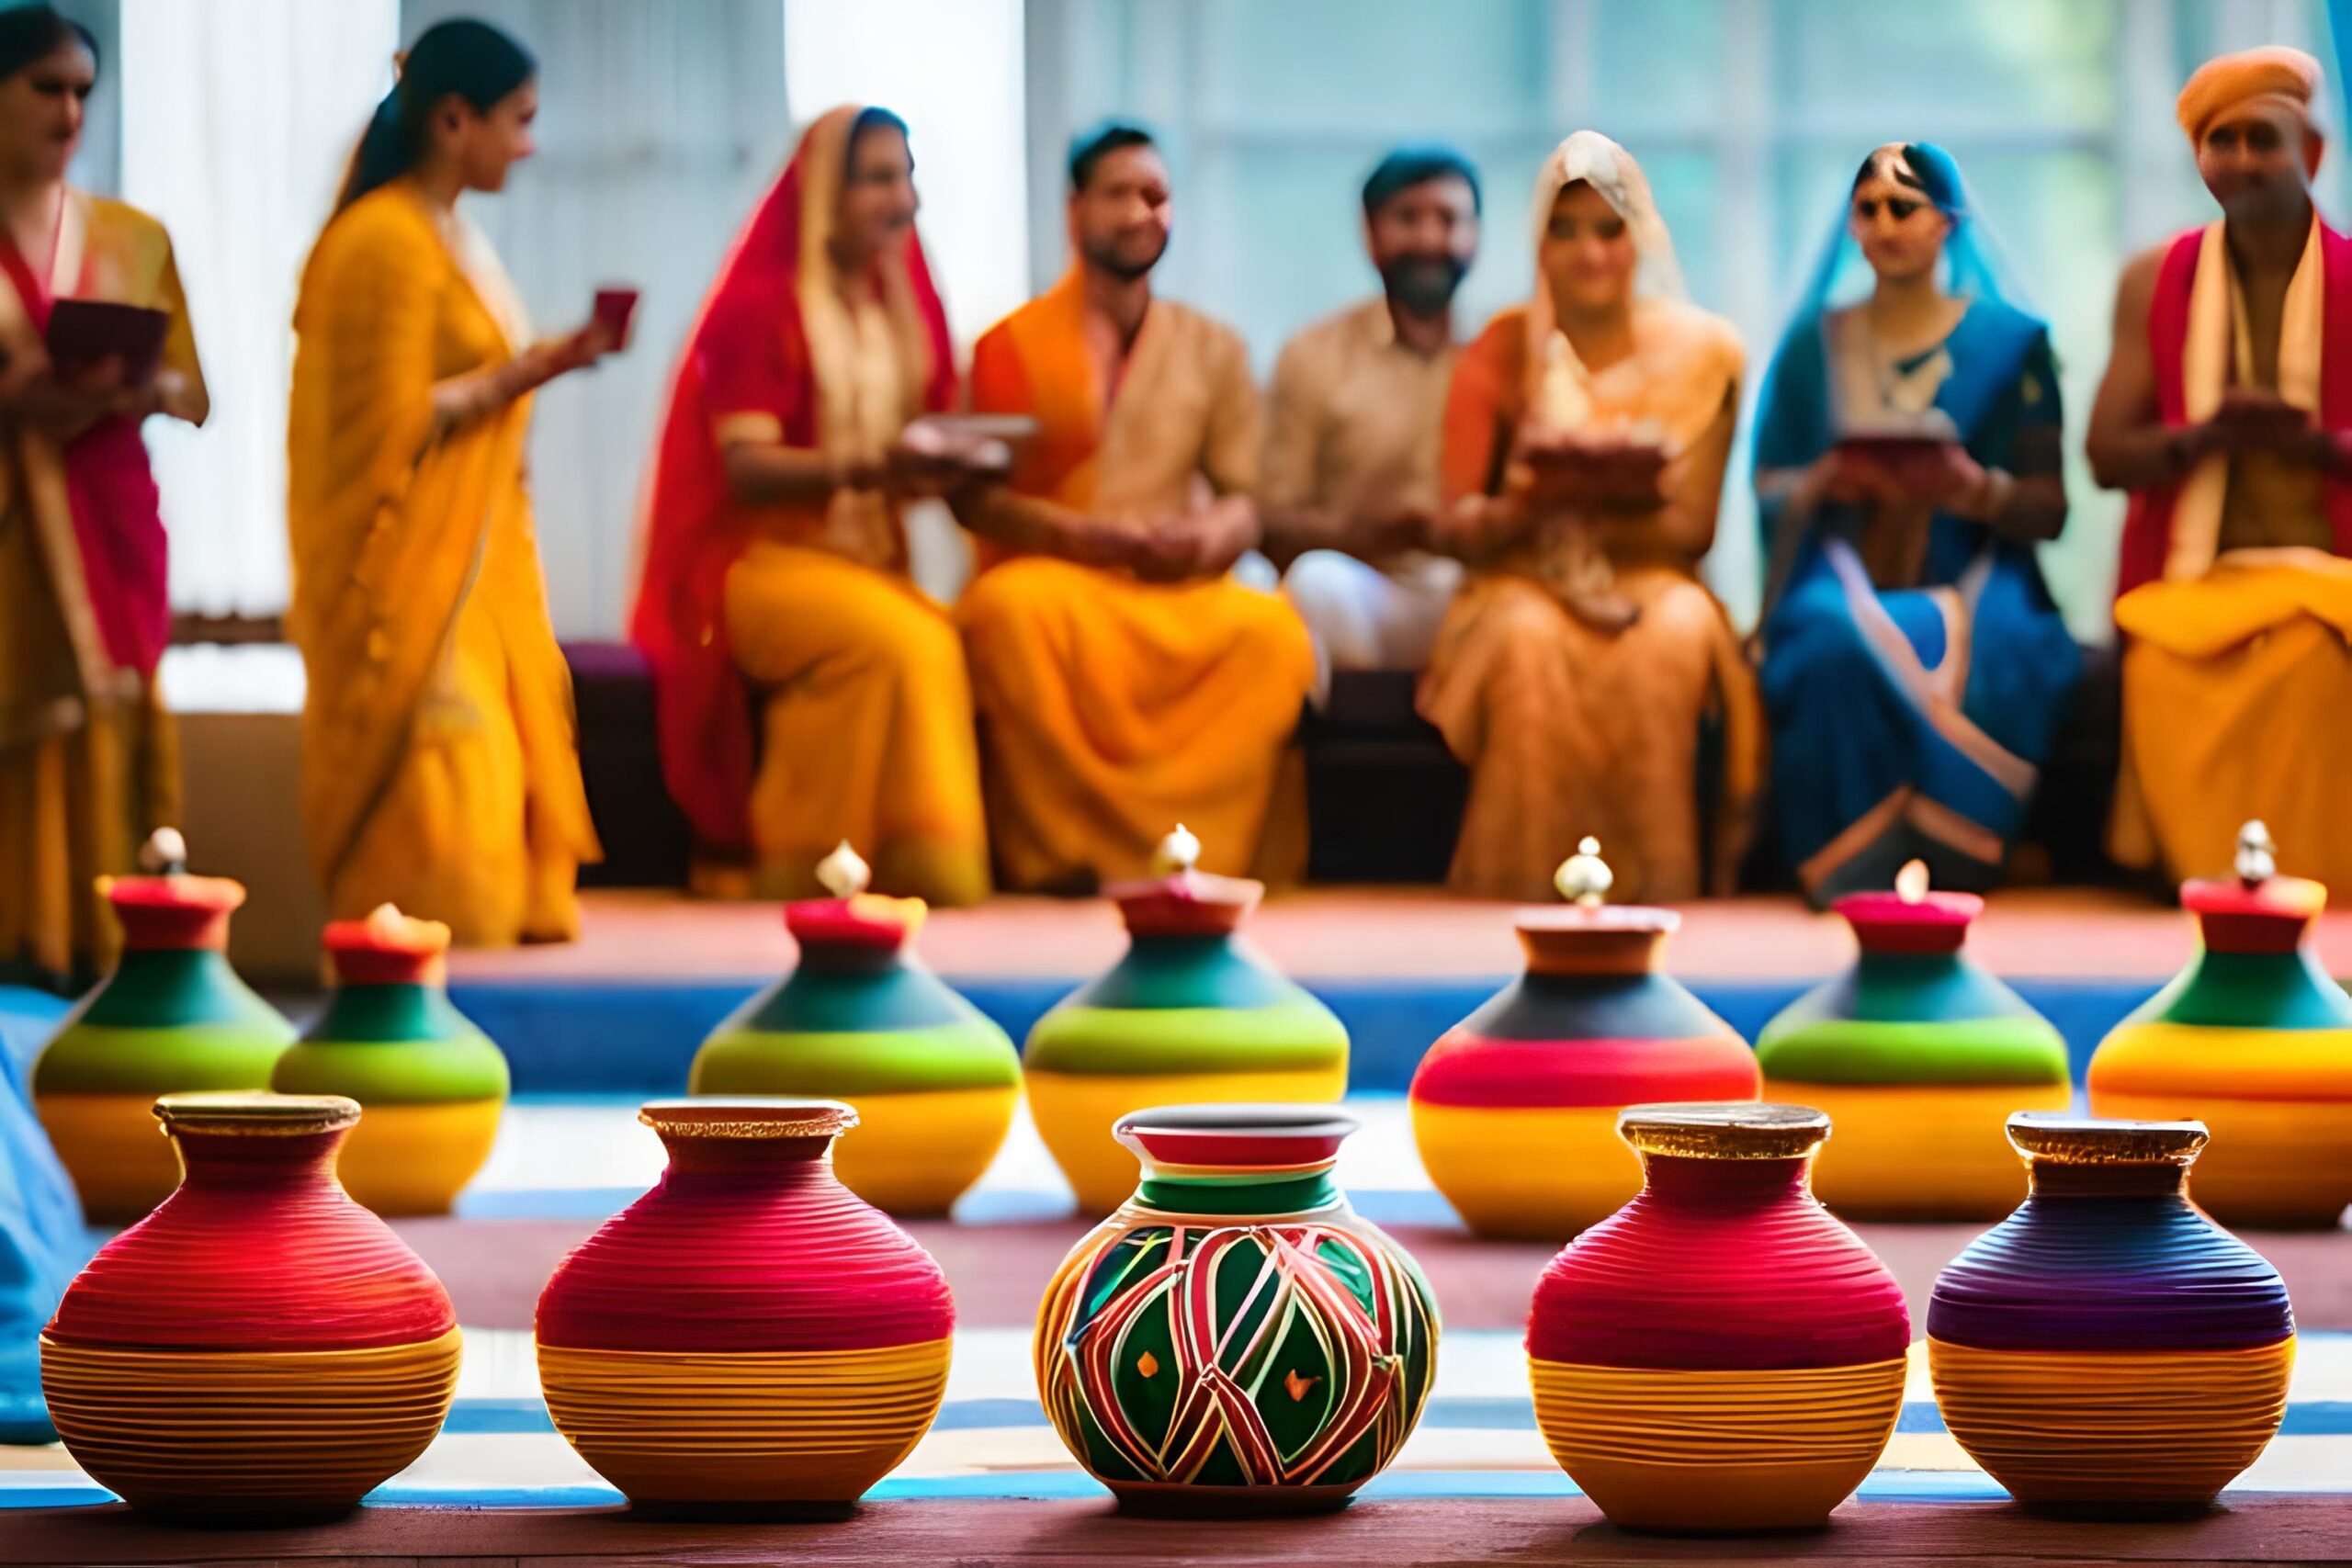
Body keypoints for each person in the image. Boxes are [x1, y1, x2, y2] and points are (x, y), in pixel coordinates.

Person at [288, 18, 613, 946]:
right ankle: (413, 957)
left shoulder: (452, 237)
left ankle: (482, 973)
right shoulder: (382, 242)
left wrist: (548, 362)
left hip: (472, 554)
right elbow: (386, 425)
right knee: (450, 742)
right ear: (454, 121)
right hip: (399, 569)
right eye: (519, 118)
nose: (530, 141)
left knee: (502, 736)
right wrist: (531, 371)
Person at [633, 106, 992, 905]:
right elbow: (745, 470)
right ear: (826, 191)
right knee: (898, 641)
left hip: (864, 564)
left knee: (924, 634)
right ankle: (803, 868)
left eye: (907, 178)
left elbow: (935, 422)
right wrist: (873, 468)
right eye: (877, 179)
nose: (903, 202)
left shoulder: (903, 303)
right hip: (755, 562)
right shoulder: (758, 304)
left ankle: (894, 875)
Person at [956, 123, 1314, 891]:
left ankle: (1207, 857)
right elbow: (978, 503)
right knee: (1006, 614)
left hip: (1173, 580)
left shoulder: (1213, 347)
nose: (1139, 212)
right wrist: (1084, 537)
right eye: (1117, 194)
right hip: (1061, 580)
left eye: (1155, 196)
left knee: (1273, 635)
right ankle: (1065, 856)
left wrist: (1206, 536)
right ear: (1074, 211)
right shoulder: (1010, 345)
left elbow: (1247, 497)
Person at [1419, 130, 1758, 904]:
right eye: (1564, 232)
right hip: (1523, 577)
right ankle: (1514, 895)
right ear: (1538, 245)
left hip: (1656, 578)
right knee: (1524, 640)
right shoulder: (1501, 349)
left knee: (1669, 637)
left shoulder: (1706, 353)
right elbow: (1457, 526)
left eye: (1609, 229)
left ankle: (1657, 897)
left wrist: (1614, 493)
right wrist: (1536, 501)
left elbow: (1692, 533)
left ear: (1641, 235)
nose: (1590, 254)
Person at [1753, 143, 2077, 906]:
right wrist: (1826, 480)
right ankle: (1855, 870)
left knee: (1999, 645)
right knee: (1829, 642)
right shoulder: (1813, 348)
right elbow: (1770, 482)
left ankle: (1959, 860)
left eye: (1905, 207)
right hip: (1843, 569)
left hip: (1976, 567)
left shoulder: (2012, 343)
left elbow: (2049, 506)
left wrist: (1973, 490)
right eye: (1868, 209)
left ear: (1948, 223)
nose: (1885, 224)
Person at [2089, 47, 2352, 890]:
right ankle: (2211, 889)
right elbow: (2103, 456)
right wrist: (2202, 438)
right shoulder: (2152, 280)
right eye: (2220, 140)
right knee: (2164, 662)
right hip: (2195, 582)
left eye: (2262, 140)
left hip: (2331, 583)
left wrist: (2314, 446)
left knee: (2308, 655)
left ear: (2311, 154)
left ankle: (2305, 890)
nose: (2239, 160)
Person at [0, 6, 207, 987]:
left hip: (111, 510)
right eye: (47, 86)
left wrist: (126, 387)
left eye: (85, 89)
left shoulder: (133, 236)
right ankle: (23, 942)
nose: (71, 109)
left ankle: (117, 945)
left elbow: (189, 390)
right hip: (14, 519)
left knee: (114, 719)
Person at [1268, 145, 1480, 685]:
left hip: (1473, 597)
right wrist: (1373, 534)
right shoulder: (1312, 355)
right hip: (1363, 593)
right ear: (1370, 233)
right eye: (1408, 218)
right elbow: (1272, 521)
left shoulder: (1505, 353)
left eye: (1448, 219)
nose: (1431, 238)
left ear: (1475, 235)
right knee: (1314, 583)